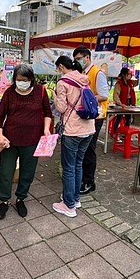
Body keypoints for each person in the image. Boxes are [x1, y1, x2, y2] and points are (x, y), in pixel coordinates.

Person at [0, 63, 53, 219]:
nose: (22, 82)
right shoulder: (9, 93)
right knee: (6, 172)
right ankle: (4, 201)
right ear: (15, 79)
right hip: (10, 141)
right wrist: (0, 136)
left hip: (32, 140)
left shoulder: (41, 91)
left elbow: (48, 112)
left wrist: (46, 129)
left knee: (27, 172)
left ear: (31, 79)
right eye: (19, 79)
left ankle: (21, 198)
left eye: (25, 79)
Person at [52, 56, 95, 217]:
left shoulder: (63, 82)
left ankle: (69, 206)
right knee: (78, 165)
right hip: (89, 129)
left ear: (62, 67)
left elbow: (62, 108)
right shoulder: (84, 79)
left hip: (73, 130)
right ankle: (75, 199)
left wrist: (55, 96)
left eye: (58, 69)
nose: (58, 72)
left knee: (68, 168)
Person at [73, 46, 109, 194]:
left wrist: (87, 98)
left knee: (89, 148)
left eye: (79, 59)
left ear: (87, 57)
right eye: (75, 60)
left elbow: (104, 95)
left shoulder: (97, 73)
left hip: (97, 115)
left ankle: (89, 182)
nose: (77, 62)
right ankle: (82, 178)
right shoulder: (81, 73)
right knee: (83, 147)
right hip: (87, 115)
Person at [111, 66, 138, 140]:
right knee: (119, 118)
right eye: (128, 74)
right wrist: (120, 104)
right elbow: (116, 95)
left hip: (129, 102)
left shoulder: (130, 82)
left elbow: (138, 82)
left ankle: (125, 133)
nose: (130, 75)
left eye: (130, 74)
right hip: (122, 102)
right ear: (124, 74)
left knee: (128, 119)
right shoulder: (119, 83)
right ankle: (115, 134)